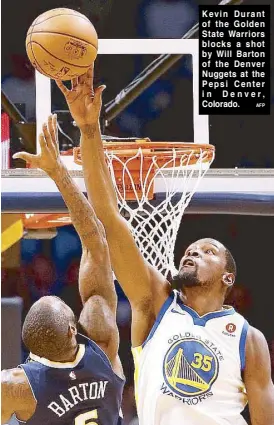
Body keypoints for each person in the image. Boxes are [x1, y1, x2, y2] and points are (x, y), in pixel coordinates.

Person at [57, 69, 274, 425]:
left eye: (208, 251)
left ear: (228, 278)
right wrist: (89, 129)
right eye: (191, 249)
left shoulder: (249, 339)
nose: (192, 252)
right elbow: (109, 220)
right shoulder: (155, 303)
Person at [1, 115, 125, 425]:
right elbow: (95, 241)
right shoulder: (103, 342)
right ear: (73, 330)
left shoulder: (15, 387)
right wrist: (58, 173)